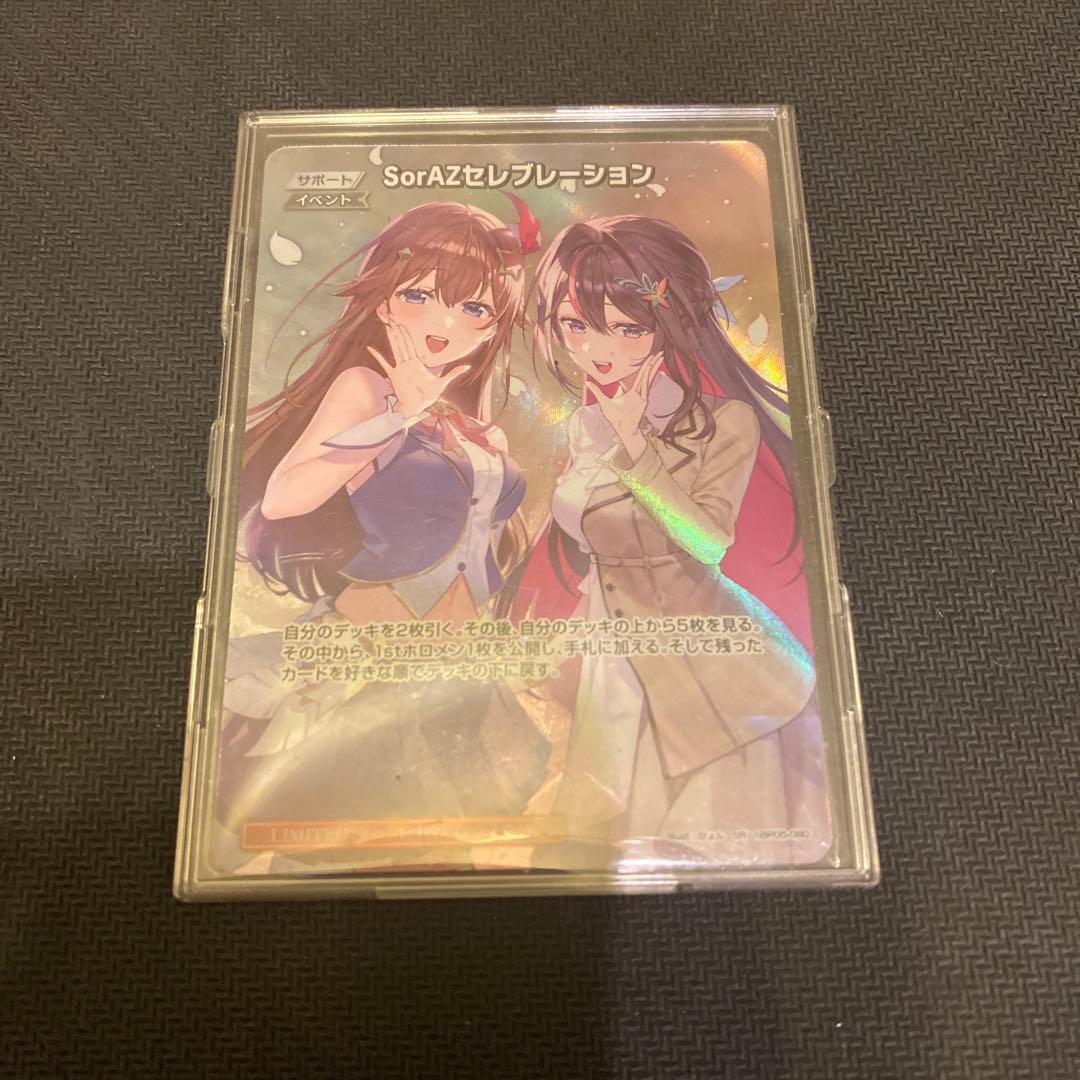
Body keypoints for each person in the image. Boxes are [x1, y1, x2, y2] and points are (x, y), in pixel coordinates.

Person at [515, 215, 831, 870]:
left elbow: (707, 540)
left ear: (668, 324)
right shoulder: (584, 426)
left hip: (708, 661)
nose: (599, 348)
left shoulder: (722, 422)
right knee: (605, 842)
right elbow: (590, 543)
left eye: (628, 327)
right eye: (577, 325)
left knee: (700, 840)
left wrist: (635, 445)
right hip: (614, 654)